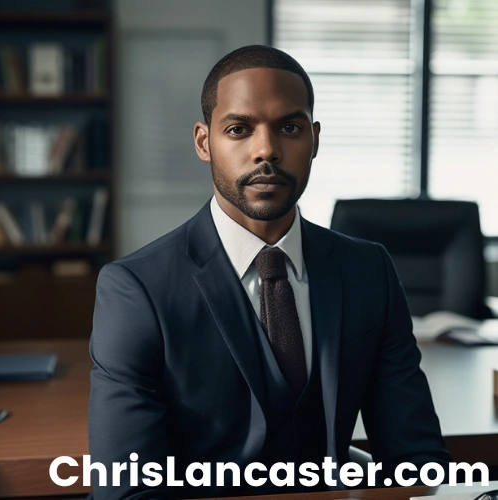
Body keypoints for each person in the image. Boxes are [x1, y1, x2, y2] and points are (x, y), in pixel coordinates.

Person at [88, 45, 451, 499]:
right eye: (239, 129)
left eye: (290, 127)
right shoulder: (137, 289)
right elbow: (126, 491)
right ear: (204, 142)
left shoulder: (369, 270)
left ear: (314, 139)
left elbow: (416, 461)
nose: (267, 150)